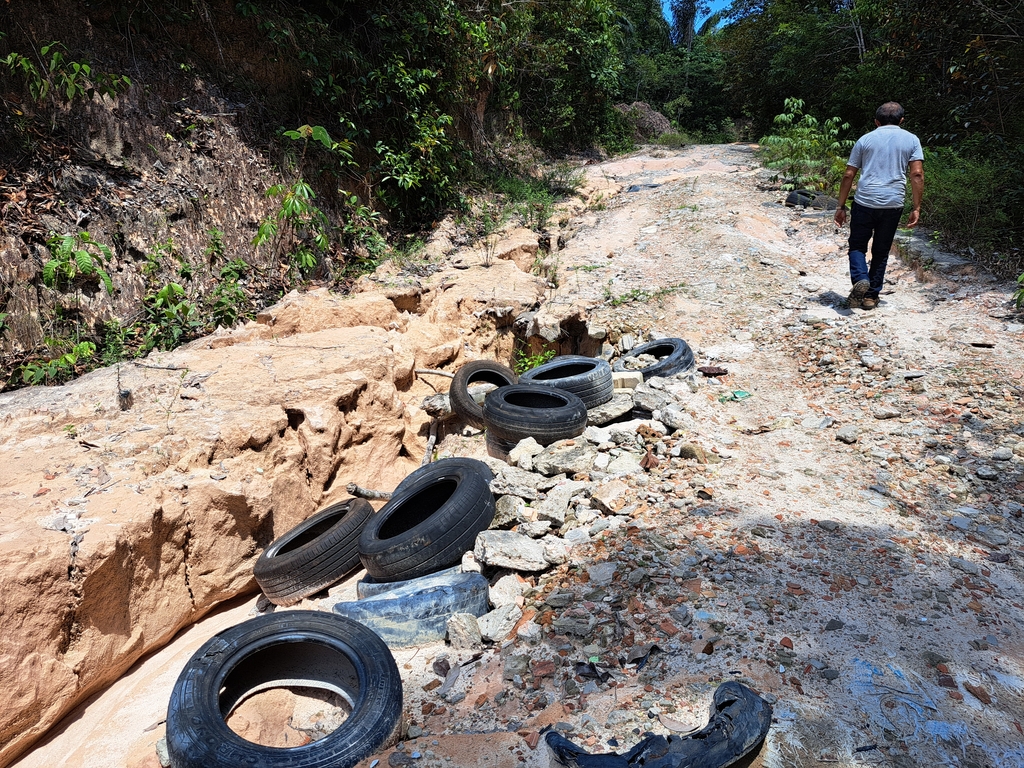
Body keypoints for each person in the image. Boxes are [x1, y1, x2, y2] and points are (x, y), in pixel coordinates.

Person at [834, 102, 924, 310]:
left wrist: (841, 206)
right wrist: (916, 207)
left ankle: (860, 279)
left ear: (876, 121)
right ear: (902, 120)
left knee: (857, 246)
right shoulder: (912, 140)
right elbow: (917, 174)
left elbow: (849, 174)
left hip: (865, 201)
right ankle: (870, 296)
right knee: (881, 251)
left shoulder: (865, 139)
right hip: (893, 203)